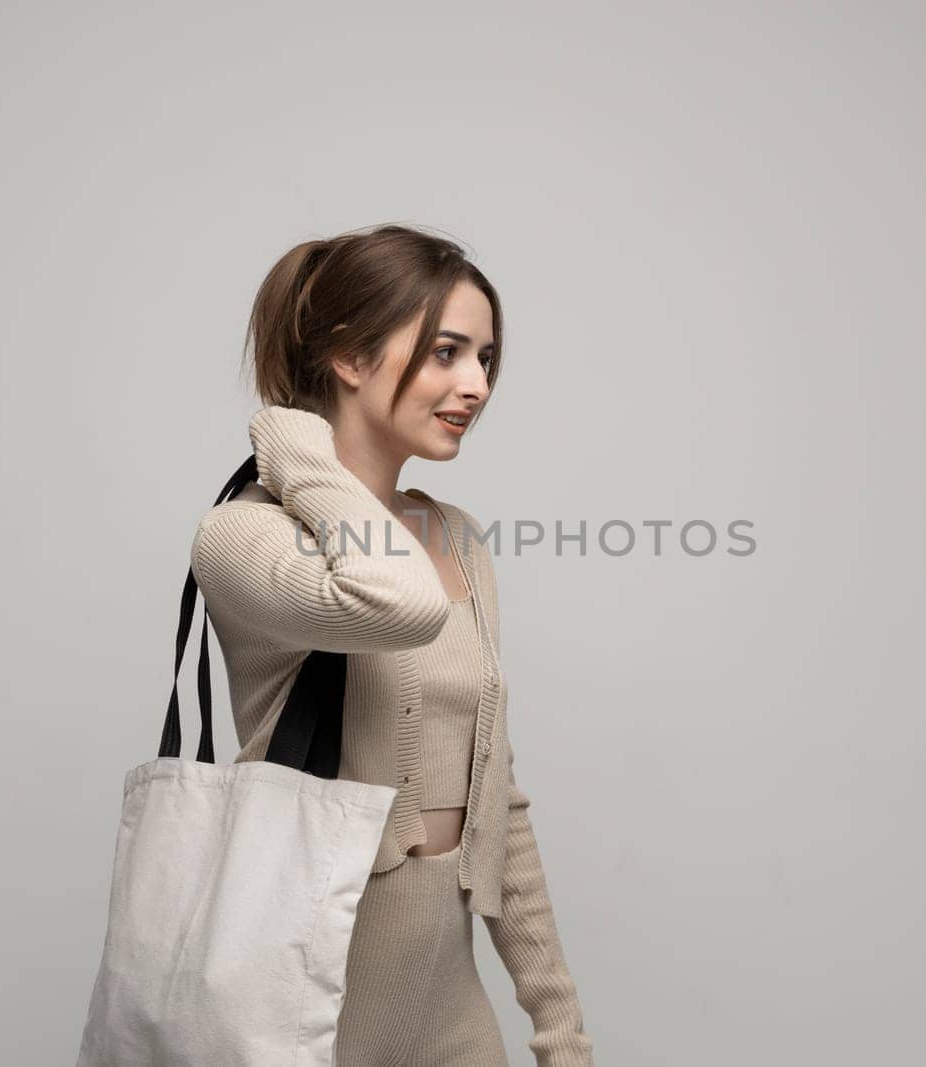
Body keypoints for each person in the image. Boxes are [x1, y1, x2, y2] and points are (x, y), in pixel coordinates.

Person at [189, 223, 594, 1066]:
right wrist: (301, 451)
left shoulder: (461, 538)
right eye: (446, 352)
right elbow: (397, 602)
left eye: (485, 358)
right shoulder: (244, 536)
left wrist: (560, 1030)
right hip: (306, 1009)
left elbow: (499, 806)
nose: (475, 384)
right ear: (350, 356)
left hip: (451, 1006)